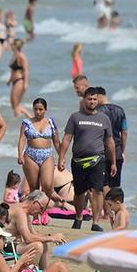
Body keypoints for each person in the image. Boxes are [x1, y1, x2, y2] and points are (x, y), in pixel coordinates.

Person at [58, 87, 116, 231]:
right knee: (79, 192)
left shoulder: (104, 118)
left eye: (94, 99)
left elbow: (110, 141)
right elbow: (66, 139)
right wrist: (61, 158)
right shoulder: (75, 117)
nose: (92, 101)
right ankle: (78, 218)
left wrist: (114, 161)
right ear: (84, 100)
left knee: (98, 191)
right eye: (89, 99)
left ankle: (95, 222)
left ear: (98, 100)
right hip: (78, 161)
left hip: (98, 160)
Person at [18, 98, 63, 204]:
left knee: (47, 185)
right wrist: (20, 155)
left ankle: (44, 210)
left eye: (40, 109)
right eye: (35, 109)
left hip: (47, 155)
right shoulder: (27, 123)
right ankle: (35, 215)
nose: (38, 112)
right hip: (30, 155)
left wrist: (62, 158)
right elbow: (22, 139)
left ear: (45, 110)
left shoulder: (51, 123)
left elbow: (56, 142)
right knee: (34, 187)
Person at [95, 86, 129, 193]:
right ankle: (114, 207)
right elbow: (124, 132)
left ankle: (107, 209)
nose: (94, 101)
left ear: (100, 96)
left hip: (102, 151)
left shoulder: (97, 111)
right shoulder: (120, 110)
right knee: (115, 184)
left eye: (95, 98)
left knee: (104, 183)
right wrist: (123, 151)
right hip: (117, 151)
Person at [7, 39, 30, 118]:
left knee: (16, 104)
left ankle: (24, 120)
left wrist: (26, 83)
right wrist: (9, 80)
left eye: (12, 44)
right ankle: (30, 118)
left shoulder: (21, 56)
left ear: (15, 46)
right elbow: (13, 70)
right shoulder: (15, 55)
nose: (11, 46)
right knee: (13, 104)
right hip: (14, 81)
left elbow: (26, 70)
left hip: (20, 81)